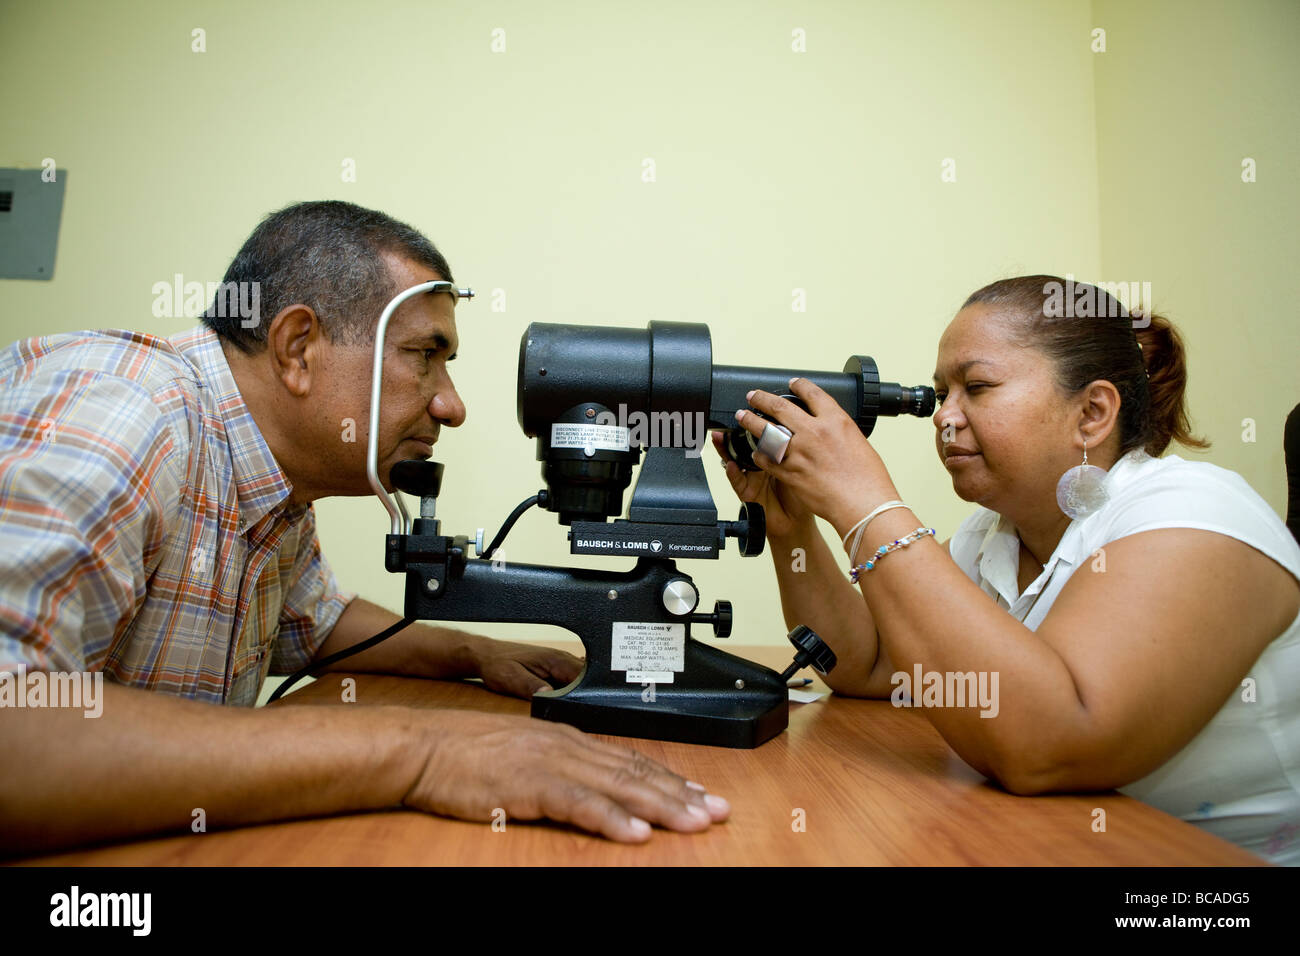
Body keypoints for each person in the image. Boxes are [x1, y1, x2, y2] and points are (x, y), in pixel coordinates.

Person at [0, 200, 728, 856]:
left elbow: (315, 624)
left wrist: (469, 649)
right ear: (297, 348)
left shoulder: (272, 484)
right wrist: (424, 750)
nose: (451, 407)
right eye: (424, 358)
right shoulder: (125, 414)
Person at [717, 275, 1300, 864]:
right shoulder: (992, 537)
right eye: (942, 392)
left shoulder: (1195, 513)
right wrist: (789, 524)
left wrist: (868, 505)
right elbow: (869, 665)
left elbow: (1052, 742)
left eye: (977, 386)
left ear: (1093, 412)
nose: (944, 416)